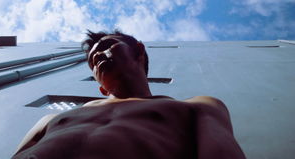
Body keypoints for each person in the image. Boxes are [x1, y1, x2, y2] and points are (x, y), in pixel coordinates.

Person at [12, 30, 246, 159]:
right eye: (93, 59)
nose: (99, 56)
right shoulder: (49, 120)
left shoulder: (197, 106)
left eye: (107, 45)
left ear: (139, 51)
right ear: (101, 87)